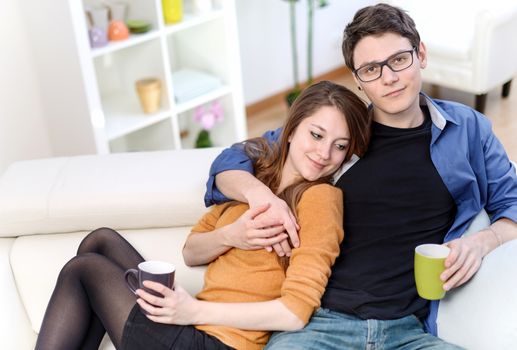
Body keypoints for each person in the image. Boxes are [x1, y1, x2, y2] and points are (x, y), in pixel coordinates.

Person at [199, 3, 517, 349]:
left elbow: (512, 203)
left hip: (410, 332)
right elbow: (232, 160)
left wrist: (480, 242)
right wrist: (263, 197)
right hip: (318, 325)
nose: (388, 78)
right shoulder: (339, 135)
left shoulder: (467, 130)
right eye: (371, 69)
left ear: (420, 54)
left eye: (398, 60)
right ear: (358, 80)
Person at [34, 80, 371, 350]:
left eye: (340, 146)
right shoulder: (249, 179)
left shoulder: (321, 199)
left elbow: (296, 313)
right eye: (316, 134)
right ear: (292, 128)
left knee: (85, 269)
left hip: (217, 341)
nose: (324, 153)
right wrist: (232, 235)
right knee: (101, 240)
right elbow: (191, 252)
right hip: (194, 326)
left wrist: (192, 310)